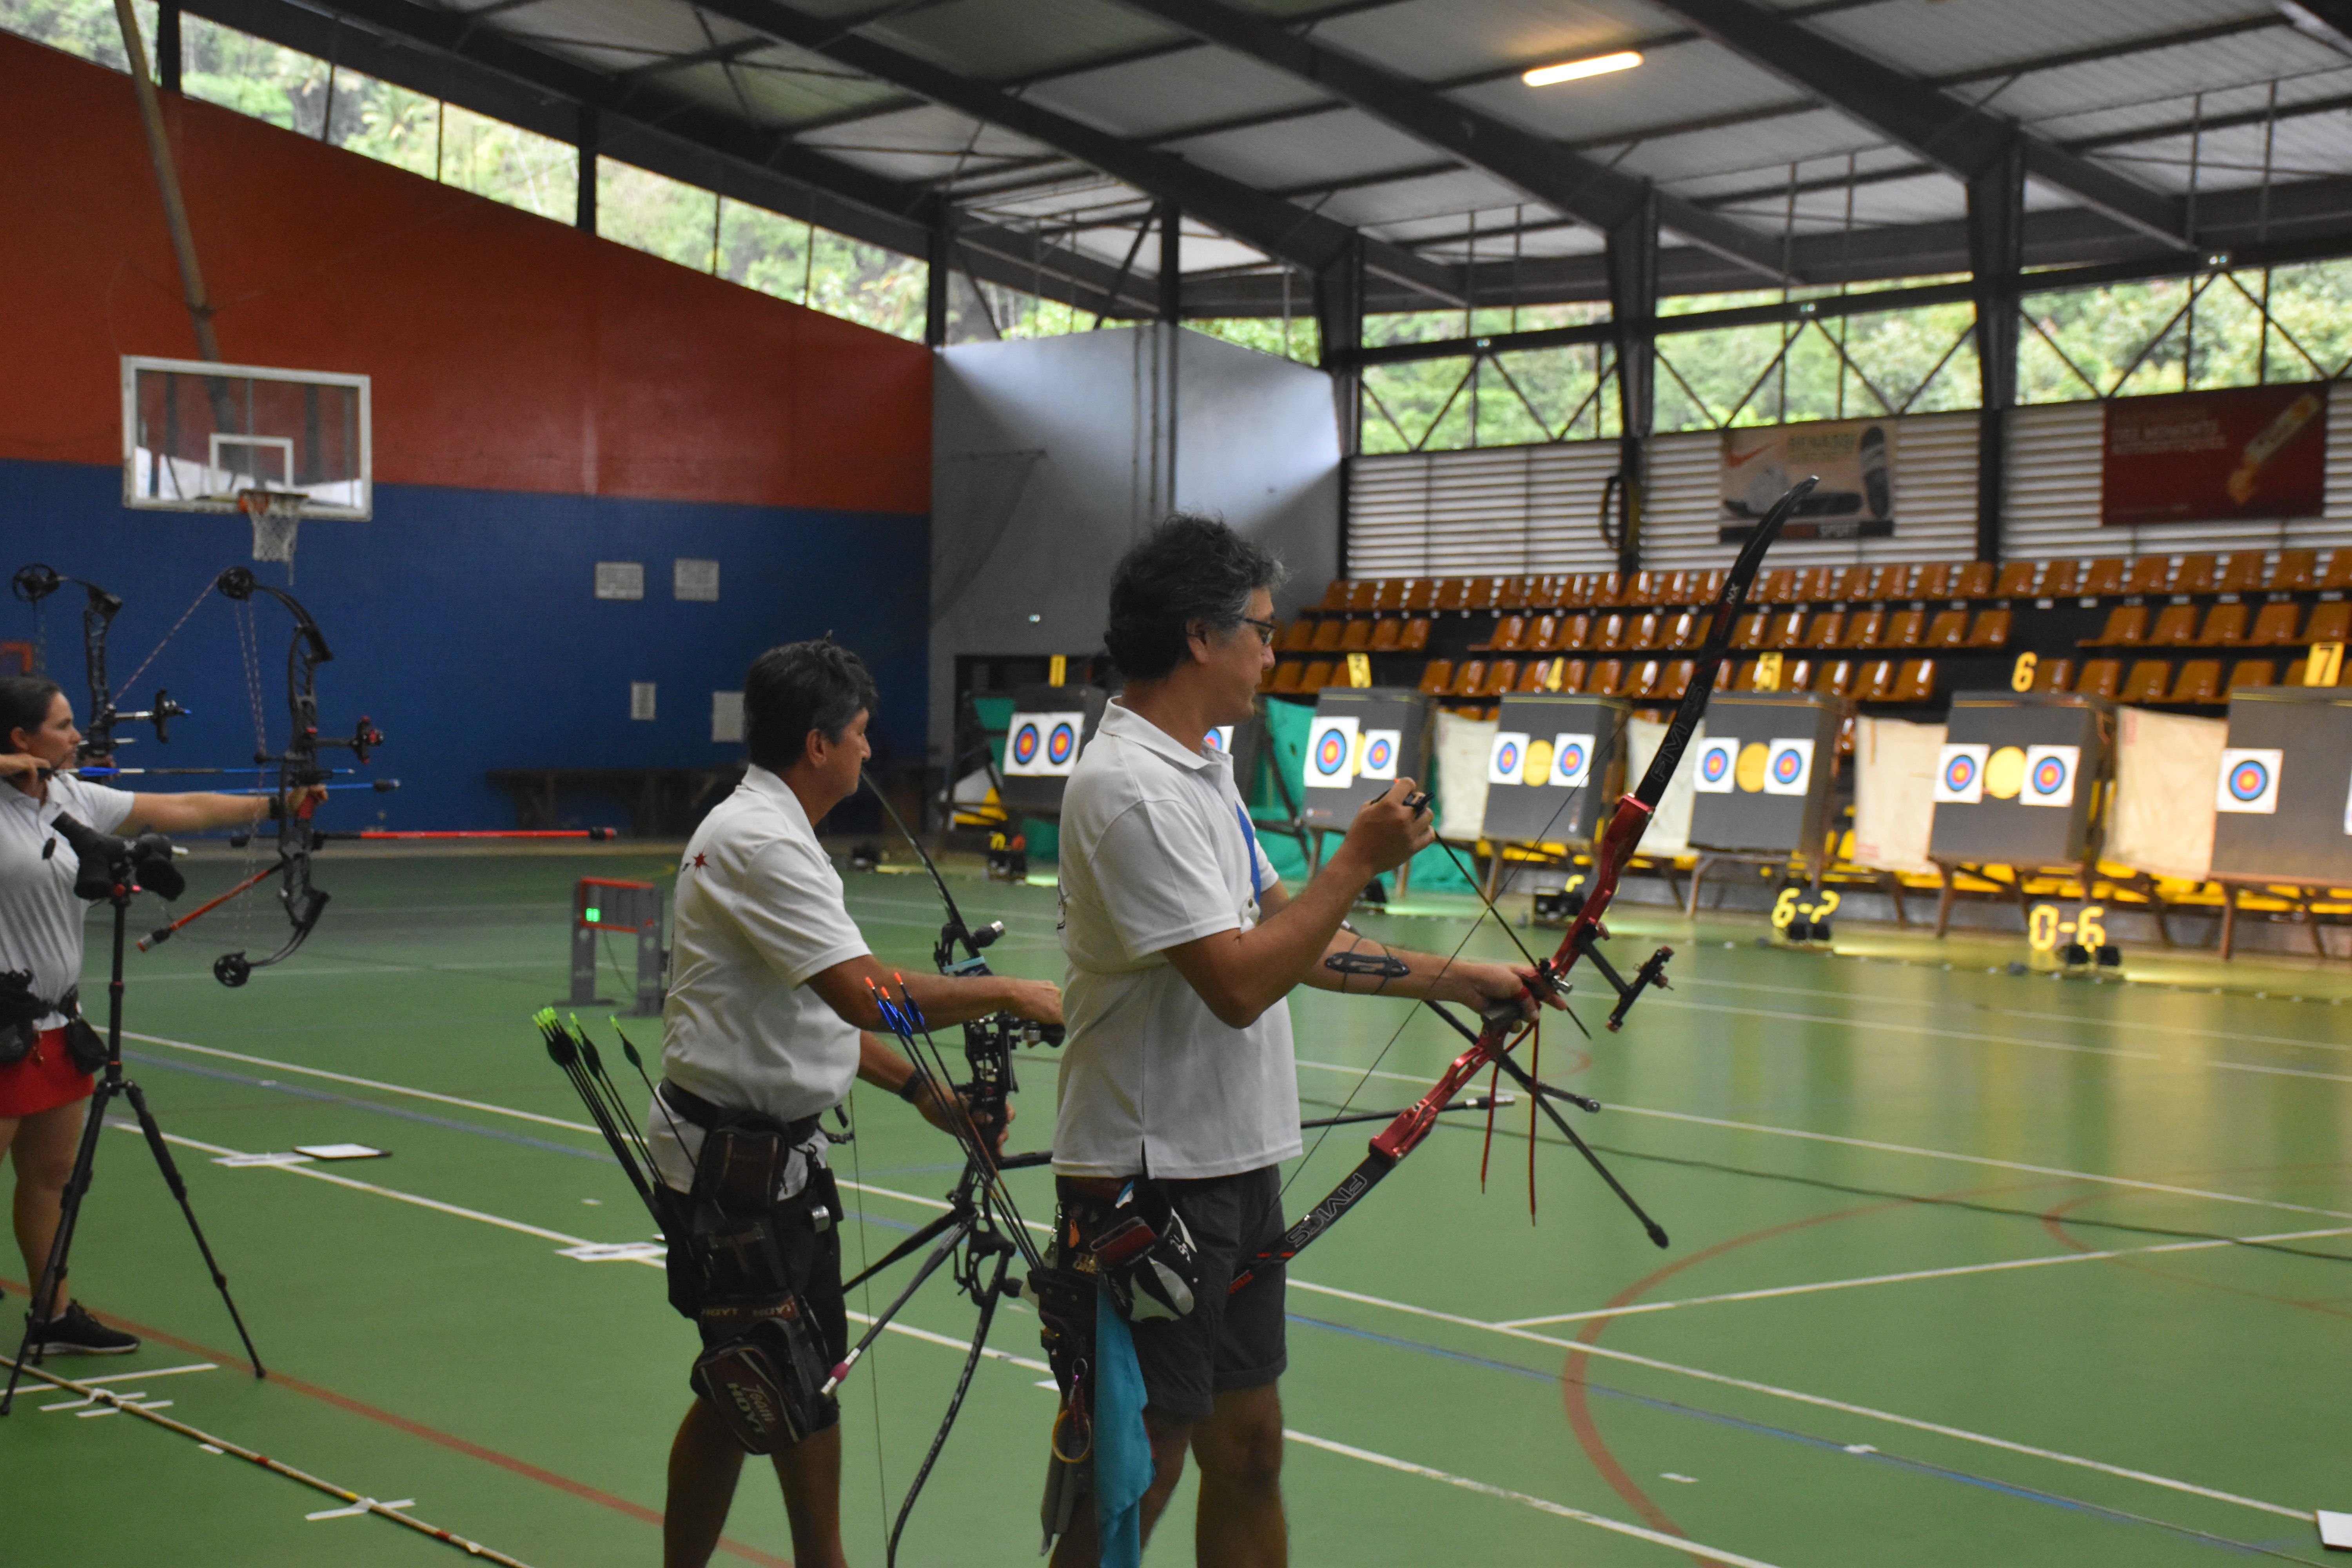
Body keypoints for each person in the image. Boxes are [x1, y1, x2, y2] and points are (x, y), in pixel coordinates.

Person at [1047, 517, 1553, 1568]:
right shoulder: (1128, 785)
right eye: (1262, 632)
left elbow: (1301, 939)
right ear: (1200, 635)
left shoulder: (1200, 768)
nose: (1273, 654)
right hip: (1152, 1180)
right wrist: (1357, 859)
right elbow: (1238, 983)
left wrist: (1469, 982)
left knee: (1252, 1448)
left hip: (1233, 1165)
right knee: (1141, 1464)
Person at [651, 637, 1063, 1568]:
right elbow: (867, 994)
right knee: (790, 1380)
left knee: (743, 1385)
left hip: (759, 1161)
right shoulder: (760, 840)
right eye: (863, 734)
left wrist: (924, 1088)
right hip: (739, 1174)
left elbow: (810, 1007)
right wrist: (1011, 993)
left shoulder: (770, 830)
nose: (872, 752)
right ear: (818, 744)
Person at [0, 676, 321, 1356]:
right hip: (0, 1023)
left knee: (52, 1176)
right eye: (62, 726)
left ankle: (52, 1315)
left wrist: (278, 804)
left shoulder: (73, 797)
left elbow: (184, 807)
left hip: (57, 1023)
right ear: (21, 740)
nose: (78, 736)